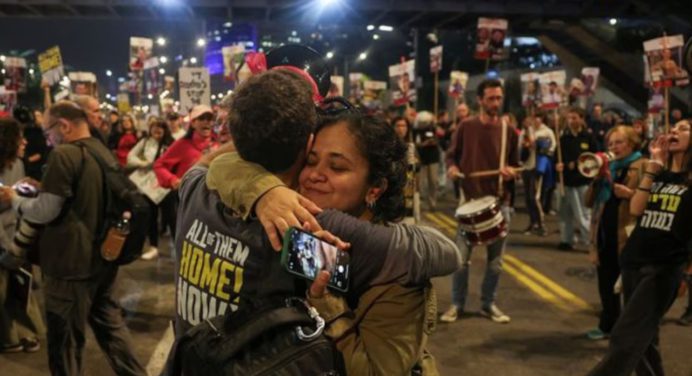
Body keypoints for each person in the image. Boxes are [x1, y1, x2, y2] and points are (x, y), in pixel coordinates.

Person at [193, 76, 458, 375]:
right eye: (311, 160)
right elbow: (212, 167)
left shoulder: (395, 273)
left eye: (337, 167)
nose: (315, 175)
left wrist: (328, 306)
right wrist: (263, 191)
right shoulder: (294, 226)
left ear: (375, 188)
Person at [0, 101, 146, 375]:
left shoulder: (64, 154)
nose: (47, 139)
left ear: (63, 126)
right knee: (112, 332)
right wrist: (43, 187)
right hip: (102, 260)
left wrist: (15, 198)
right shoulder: (99, 149)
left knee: (65, 343)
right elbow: (82, 196)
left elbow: (45, 211)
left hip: (69, 267)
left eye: (47, 132)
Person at [588, 119, 691, 376]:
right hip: (634, 260)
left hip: (664, 268)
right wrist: (654, 165)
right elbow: (636, 208)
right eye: (674, 127)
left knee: (625, 338)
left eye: (684, 128)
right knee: (645, 343)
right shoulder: (660, 171)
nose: (675, 131)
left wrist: (687, 274)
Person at [441, 79, 519, 323]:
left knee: (495, 264)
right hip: (469, 203)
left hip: (498, 202)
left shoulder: (508, 130)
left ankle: (488, 304)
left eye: (499, 98)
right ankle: (457, 304)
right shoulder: (466, 126)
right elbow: (451, 156)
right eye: (491, 98)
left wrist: (511, 171)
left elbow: (516, 164)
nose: (496, 103)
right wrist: (453, 169)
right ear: (480, 100)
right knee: (461, 261)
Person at [585, 125, 646, 340]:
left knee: (631, 285)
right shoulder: (607, 167)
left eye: (618, 142)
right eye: (610, 143)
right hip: (604, 233)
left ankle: (630, 331)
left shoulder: (643, 165)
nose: (613, 147)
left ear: (631, 143)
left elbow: (652, 201)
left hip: (629, 235)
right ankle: (608, 324)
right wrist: (597, 179)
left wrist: (630, 194)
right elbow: (588, 201)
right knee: (606, 283)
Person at [0, 118, 44, 353]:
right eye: (20, 137)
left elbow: (18, 199)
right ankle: (10, 337)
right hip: (3, 238)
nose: (25, 142)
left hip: (14, 234)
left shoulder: (17, 163)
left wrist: (22, 191)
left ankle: (25, 332)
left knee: (20, 286)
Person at [154, 105, 216, 253]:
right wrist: (173, 180)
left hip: (216, 205)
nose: (207, 122)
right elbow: (159, 165)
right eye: (202, 119)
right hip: (190, 205)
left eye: (209, 119)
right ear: (193, 123)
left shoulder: (218, 143)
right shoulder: (182, 144)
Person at [127, 118, 173, 260]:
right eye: (154, 127)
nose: (157, 130)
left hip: (166, 186)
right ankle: (154, 247)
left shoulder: (171, 143)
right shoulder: (145, 142)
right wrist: (144, 163)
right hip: (148, 186)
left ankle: (178, 246)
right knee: (151, 217)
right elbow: (130, 157)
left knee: (172, 217)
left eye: (160, 127)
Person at [556, 107, 598, 250]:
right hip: (565, 181)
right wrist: (558, 165)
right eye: (569, 118)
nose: (571, 121)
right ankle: (566, 240)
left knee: (583, 214)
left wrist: (581, 164)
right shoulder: (563, 139)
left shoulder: (588, 137)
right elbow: (556, 157)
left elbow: (596, 157)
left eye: (574, 118)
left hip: (582, 181)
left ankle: (589, 241)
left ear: (581, 119)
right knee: (564, 213)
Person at [519, 111, 556, 236]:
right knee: (528, 199)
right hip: (526, 167)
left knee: (535, 197)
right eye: (533, 118)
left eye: (537, 118)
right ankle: (532, 222)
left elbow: (551, 148)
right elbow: (520, 148)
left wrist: (539, 145)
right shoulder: (525, 131)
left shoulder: (546, 132)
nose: (535, 120)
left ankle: (541, 224)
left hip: (538, 167)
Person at [413, 111, 441, 211]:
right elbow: (415, 144)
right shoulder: (415, 130)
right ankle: (420, 202)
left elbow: (440, 138)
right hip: (421, 158)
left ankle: (432, 202)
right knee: (421, 183)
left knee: (433, 181)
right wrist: (423, 144)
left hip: (433, 158)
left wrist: (434, 141)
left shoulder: (434, 128)